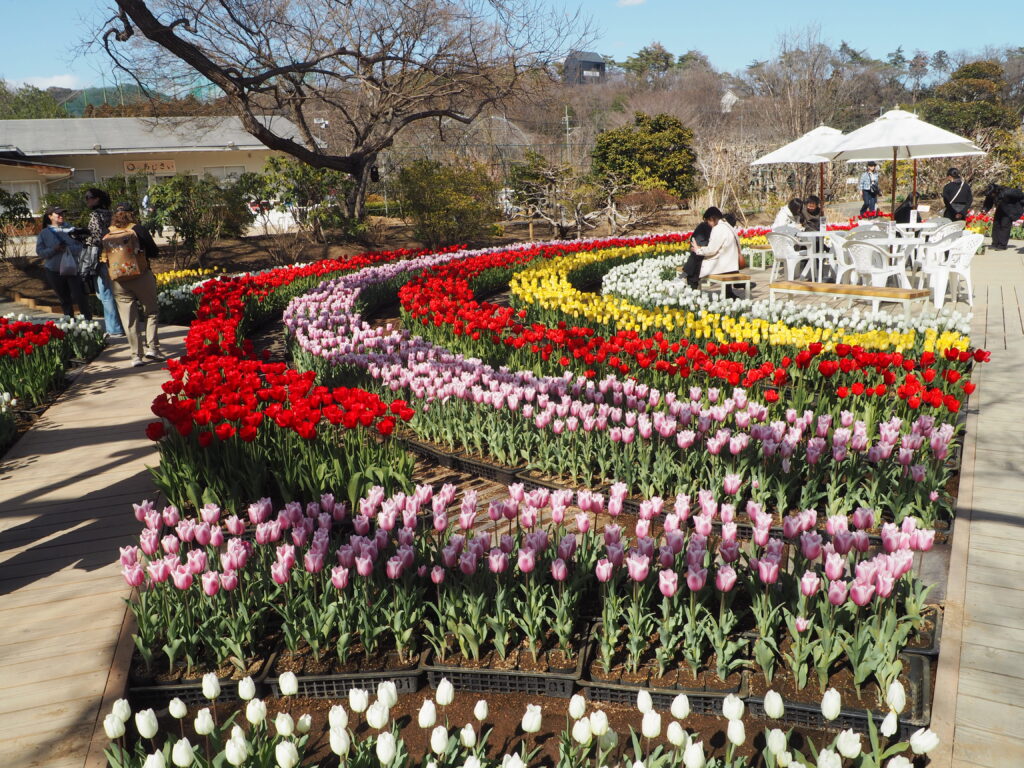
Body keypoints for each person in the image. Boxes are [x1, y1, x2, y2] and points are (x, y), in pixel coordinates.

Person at [104, 205, 163, 367]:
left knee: (129, 319)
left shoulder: (107, 232)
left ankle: (136, 356)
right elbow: (153, 251)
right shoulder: (138, 229)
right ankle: (153, 348)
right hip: (141, 276)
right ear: (132, 214)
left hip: (118, 280)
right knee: (151, 312)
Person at [34, 206, 93, 319]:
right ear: (50, 216)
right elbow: (40, 252)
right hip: (53, 270)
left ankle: (88, 321)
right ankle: (69, 324)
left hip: (72, 268)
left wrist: (68, 249)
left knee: (80, 296)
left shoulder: (72, 229)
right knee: (64, 299)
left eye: (62, 213)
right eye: (58, 214)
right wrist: (54, 249)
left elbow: (81, 247)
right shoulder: (44, 233)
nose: (61, 216)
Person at [84, 188, 126, 336]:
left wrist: (84, 238)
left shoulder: (95, 215)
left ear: (97, 199)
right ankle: (120, 324)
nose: (87, 200)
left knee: (104, 293)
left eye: (89, 197)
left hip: (101, 258)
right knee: (115, 292)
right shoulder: (111, 214)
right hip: (115, 256)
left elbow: (97, 237)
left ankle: (114, 329)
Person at [687, 207, 742, 298]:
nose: (708, 224)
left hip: (722, 266)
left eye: (708, 221)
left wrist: (698, 249)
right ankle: (729, 294)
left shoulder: (718, 228)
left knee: (692, 268)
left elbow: (711, 250)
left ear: (712, 219)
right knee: (694, 264)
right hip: (732, 265)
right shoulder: (728, 226)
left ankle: (692, 295)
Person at [982, 183, 1024, 251]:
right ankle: (995, 243)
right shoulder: (991, 193)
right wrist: (985, 209)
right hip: (1000, 208)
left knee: (1005, 226)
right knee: (996, 225)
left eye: (992, 194)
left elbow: (1020, 194)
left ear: (996, 191)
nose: (992, 196)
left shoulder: (1007, 192)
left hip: (1009, 210)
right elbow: (988, 202)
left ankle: (1002, 245)